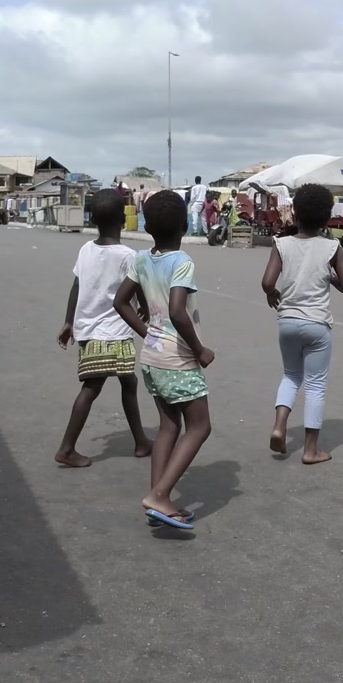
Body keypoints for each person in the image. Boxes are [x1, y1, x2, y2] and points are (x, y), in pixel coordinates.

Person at [113, 190, 215, 530]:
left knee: (169, 426)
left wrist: (147, 333)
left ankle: (158, 499)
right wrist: (199, 349)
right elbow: (177, 311)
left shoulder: (141, 259)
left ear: (147, 226)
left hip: (152, 356)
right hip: (177, 358)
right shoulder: (182, 261)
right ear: (185, 226)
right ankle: (159, 496)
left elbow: (121, 302)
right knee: (199, 426)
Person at [262, 185, 343, 465]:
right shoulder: (332, 247)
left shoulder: (282, 244)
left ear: (295, 213)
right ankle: (310, 450)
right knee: (315, 384)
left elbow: (267, 282)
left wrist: (272, 293)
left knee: (291, 376)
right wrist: (330, 276)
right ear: (327, 217)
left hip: (288, 321)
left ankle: (279, 425)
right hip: (316, 324)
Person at [55, 190, 151, 467]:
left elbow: (76, 285)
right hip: (113, 333)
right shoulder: (129, 256)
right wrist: (145, 308)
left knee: (128, 382)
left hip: (89, 330)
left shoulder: (86, 249)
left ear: (93, 220)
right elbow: (138, 288)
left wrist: (69, 321)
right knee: (92, 388)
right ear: (123, 220)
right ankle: (66, 448)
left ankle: (141, 442)